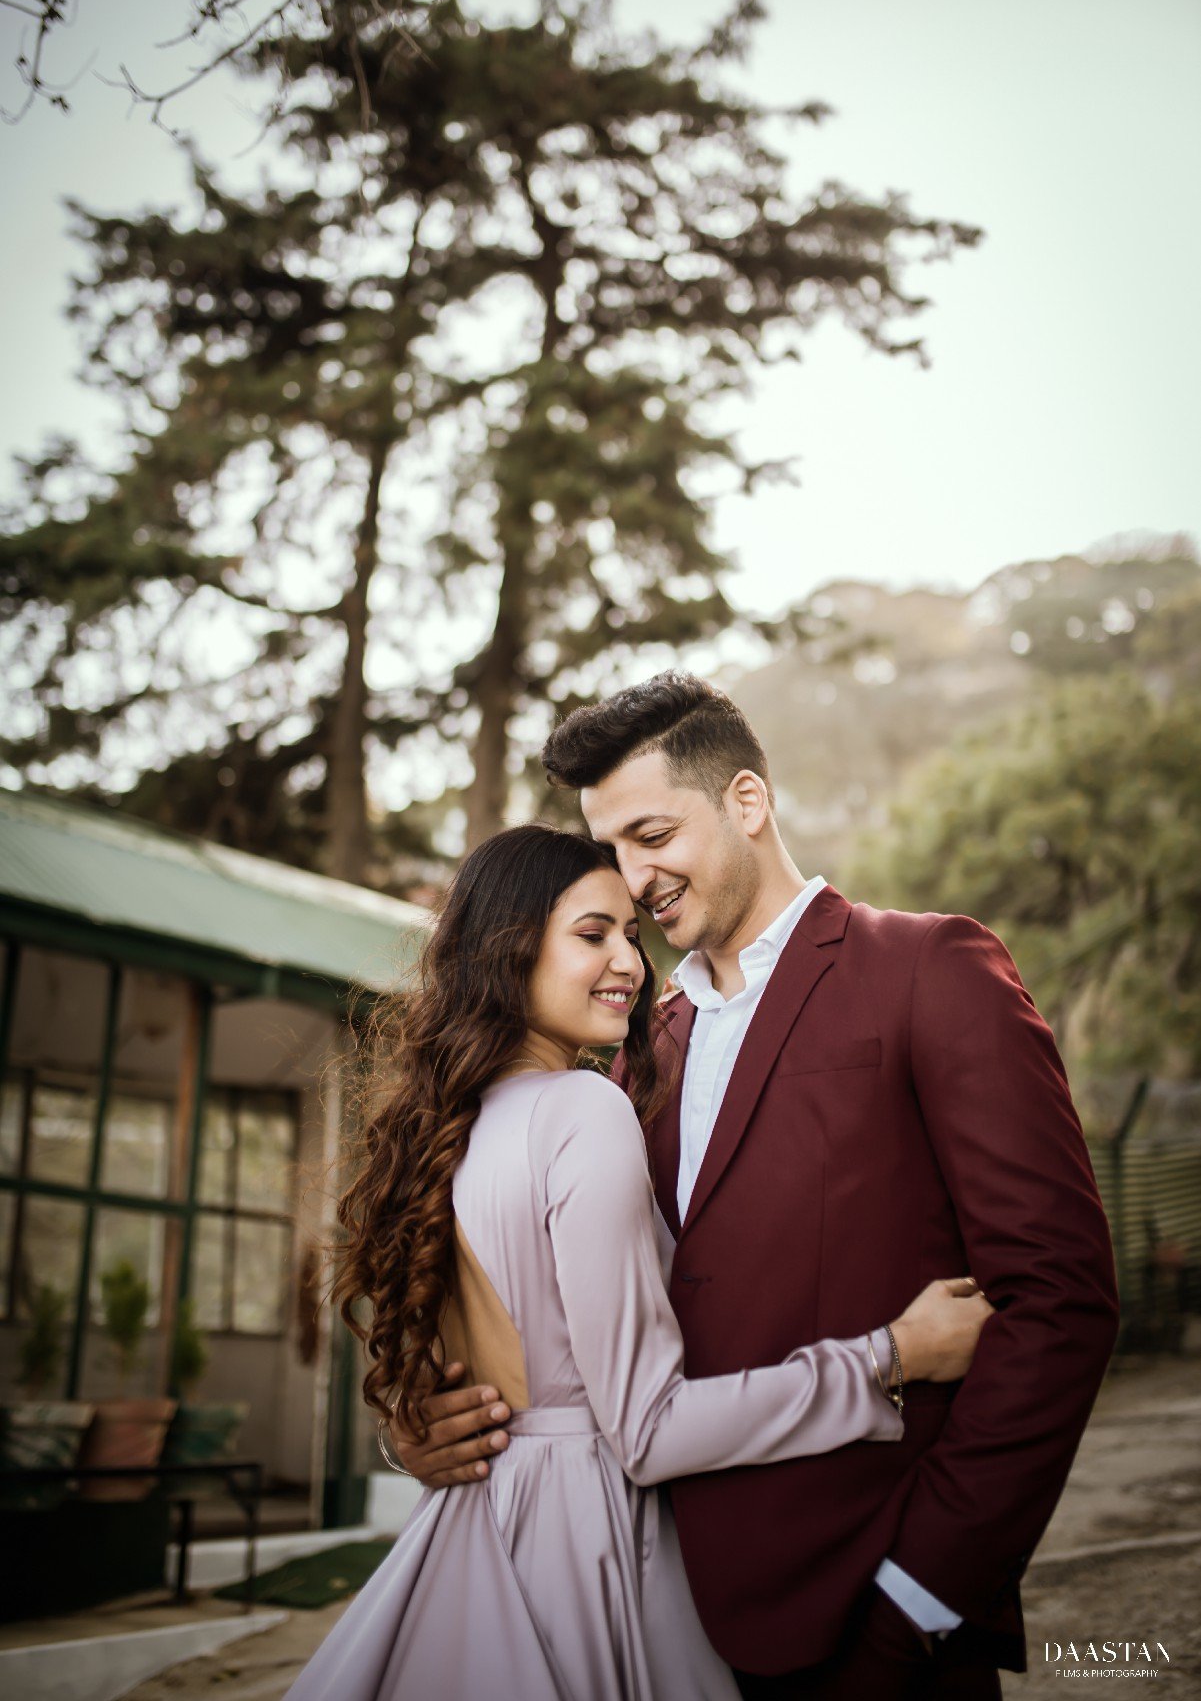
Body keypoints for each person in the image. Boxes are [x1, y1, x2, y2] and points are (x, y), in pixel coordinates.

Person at [399, 674, 1121, 1700]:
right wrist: (434, 1426)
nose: (632, 878)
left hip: (873, 1610)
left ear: (746, 801)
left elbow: (1058, 1301)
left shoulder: (929, 968)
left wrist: (922, 1595)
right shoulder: (632, 1054)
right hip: (660, 1619)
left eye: (652, 835)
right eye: (611, 850)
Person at [285, 823, 992, 1701]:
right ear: (506, 949)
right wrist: (888, 1357)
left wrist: (411, 1439)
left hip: (472, 1531)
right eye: (592, 935)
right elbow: (648, 1432)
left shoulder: (445, 1130)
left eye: (631, 932)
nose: (628, 962)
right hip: (585, 1546)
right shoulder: (583, 1109)